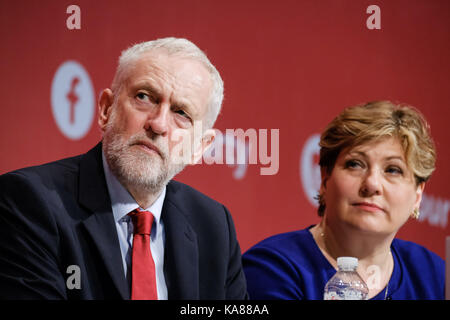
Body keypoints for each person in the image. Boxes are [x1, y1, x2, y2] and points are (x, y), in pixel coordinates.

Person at [0, 37, 248, 300]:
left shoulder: (213, 225)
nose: (159, 124)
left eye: (182, 113)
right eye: (144, 97)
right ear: (107, 109)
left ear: (200, 147)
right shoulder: (29, 202)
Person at [243, 101, 444, 300]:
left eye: (393, 170)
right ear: (324, 178)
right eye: (355, 164)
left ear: (418, 195)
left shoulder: (434, 276)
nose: (372, 184)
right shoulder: (273, 268)